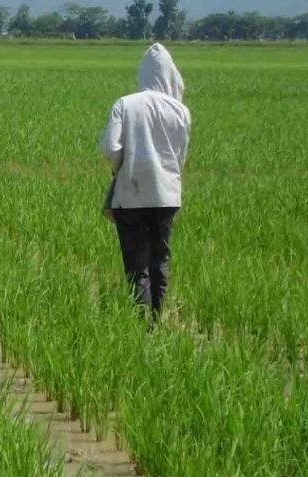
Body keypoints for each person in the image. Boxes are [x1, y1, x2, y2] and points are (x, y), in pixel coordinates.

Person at [100, 43, 191, 323]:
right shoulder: (181, 111)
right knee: (160, 259)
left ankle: (142, 324)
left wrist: (120, 170)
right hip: (167, 196)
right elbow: (181, 156)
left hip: (131, 194)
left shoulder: (126, 104)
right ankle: (156, 317)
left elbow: (110, 148)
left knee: (137, 264)